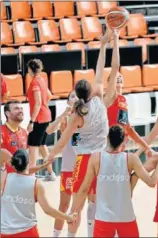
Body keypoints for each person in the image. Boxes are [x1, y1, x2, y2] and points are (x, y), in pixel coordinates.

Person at [47, 29, 115, 237]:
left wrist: (49, 157)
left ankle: (70, 235)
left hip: (83, 160)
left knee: (77, 204)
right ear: (92, 92)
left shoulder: (76, 117)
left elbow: (60, 142)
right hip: (100, 157)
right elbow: (101, 70)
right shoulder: (98, 103)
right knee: (94, 200)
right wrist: (105, 44)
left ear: (77, 96)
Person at [70, 125, 158, 237]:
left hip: (103, 219)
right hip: (126, 218)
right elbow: (152, 182)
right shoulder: (131, 159)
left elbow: (83, 190)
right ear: (124, 141)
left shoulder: (96, 158)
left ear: (107, 138)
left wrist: (74, 211)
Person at [1, 149, 78, 238]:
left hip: (6, 233)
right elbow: (48, 210)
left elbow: (2, 154)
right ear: (28, 163)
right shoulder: (35, 184)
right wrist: (69, 218)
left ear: (14, 164)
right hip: (28, 232)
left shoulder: (6, 179)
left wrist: (42, 166)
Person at [46, 91, 78, 237]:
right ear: (68, 101)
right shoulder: (65, 119)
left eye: (78, 95)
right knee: (64, 205)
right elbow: (49, 130)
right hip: (68, 168)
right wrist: (63, 115)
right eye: (72, 96)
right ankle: (56, 235)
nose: (75, 97)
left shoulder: (88, 117)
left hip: (86, 167)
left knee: (80, 206)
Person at [1, 101, 49, 182]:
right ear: (7, 113)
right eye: (16, 108)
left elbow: (25, 164)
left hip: (22, 181)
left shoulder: (24, 132)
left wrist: (42, 166)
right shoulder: (1, 131)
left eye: (21, 108)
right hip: (6, 186)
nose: (20, 111)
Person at [26, 59, 55, 181]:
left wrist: (31, 121)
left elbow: (37, 103)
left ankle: (31, 176)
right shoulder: (42, 79)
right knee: (42, 145)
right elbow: (49, 95)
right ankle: (51, 173)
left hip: (39, 118)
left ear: (31, 69)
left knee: (33, 146)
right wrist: (44, 106)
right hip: (46, 116)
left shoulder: (34, 83)